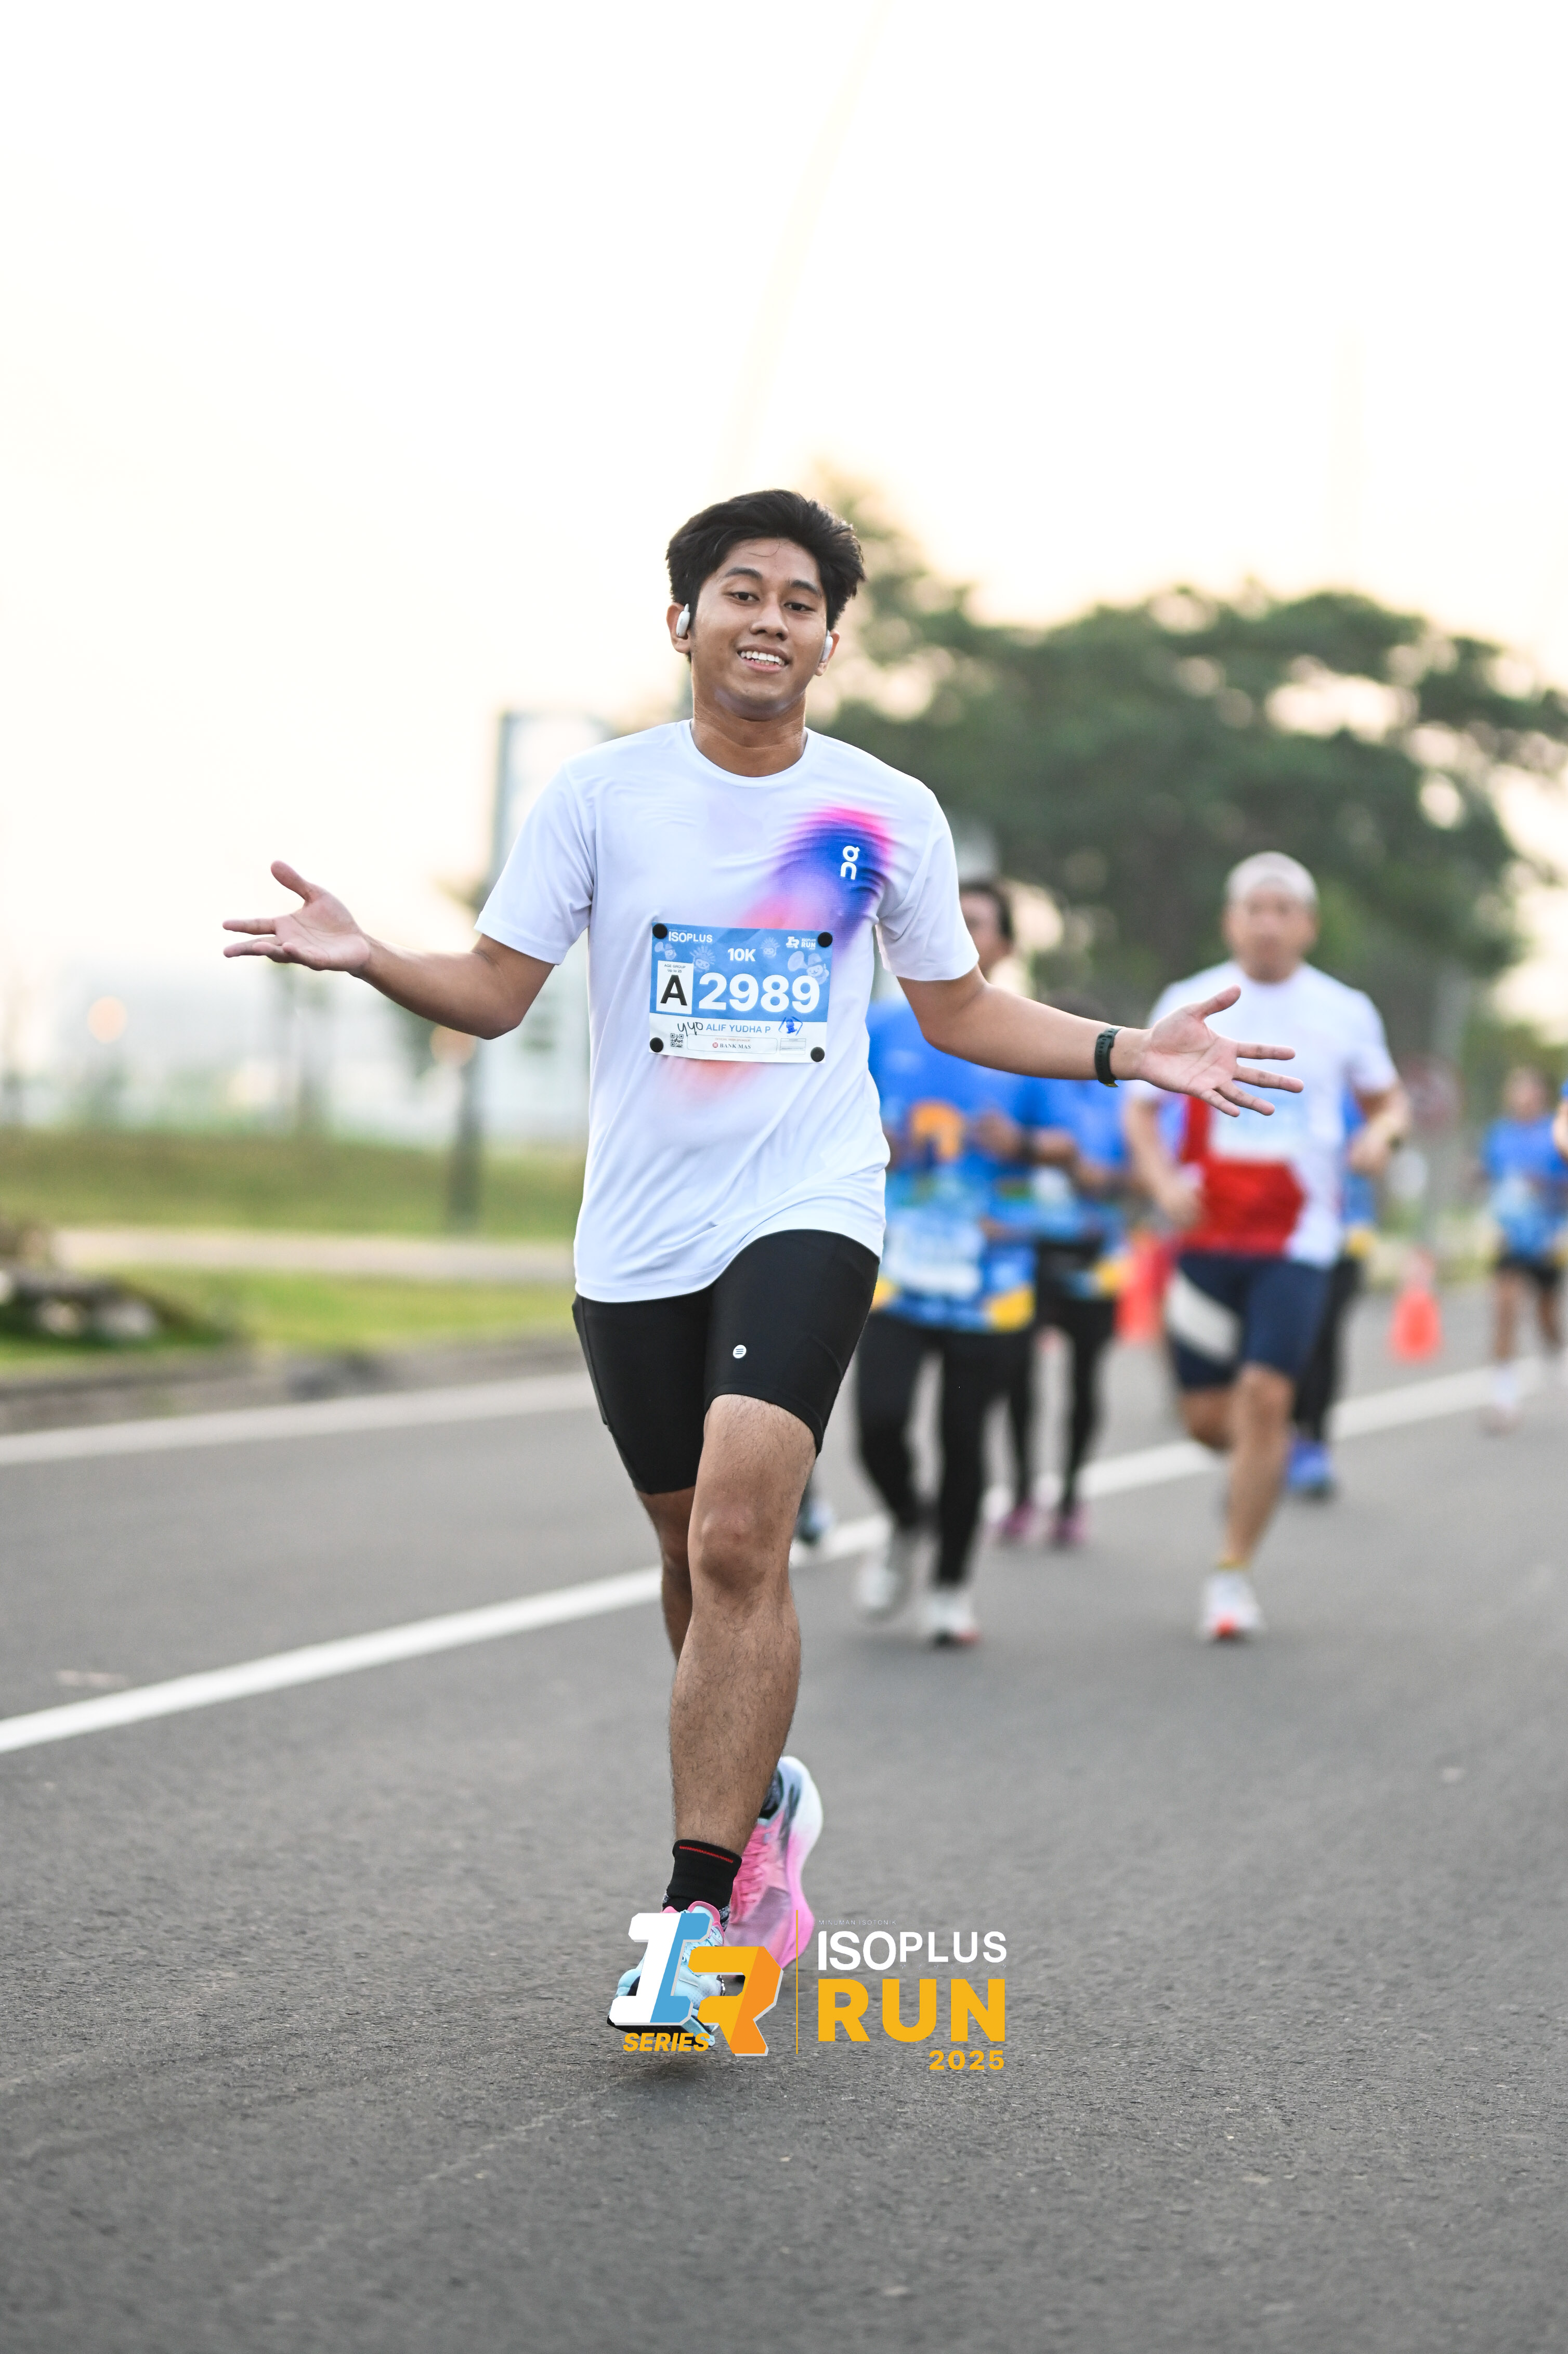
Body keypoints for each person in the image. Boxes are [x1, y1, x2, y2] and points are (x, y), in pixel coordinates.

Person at [224, 489, 1300, 2044]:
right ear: (684, 619)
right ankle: (762, 1802)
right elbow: (497, 990)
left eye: (801, 601)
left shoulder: (882, 811)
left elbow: (957, 1009)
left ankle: (697, 1915)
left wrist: (1131, 1049)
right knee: (693, 1561)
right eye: (743, 591)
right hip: (638, 1233)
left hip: (809, 1197)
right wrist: (372, 953)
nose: (771, 620)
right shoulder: (600, 799)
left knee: (742, 1532)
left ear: (829, 641)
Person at [1124, 852, 1407, 1641]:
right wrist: (1161, 1183)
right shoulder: (1189, 1000)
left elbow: (1388, 1103)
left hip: (1299, 1240)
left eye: (1285, 909)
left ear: (1308, 925)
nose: (1269, 923)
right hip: (1205, 1235)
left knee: (1267, 1399)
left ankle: (1231, 1572)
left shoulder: (1344, 1009)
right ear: (1231, 920)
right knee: (1208, 1421)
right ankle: (1257, 1466)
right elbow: (1140, 1111)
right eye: (1256, 908)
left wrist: (1382, 1137)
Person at [854, 880, 1041, 1645]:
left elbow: (1082, 1165)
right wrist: (870, 1143)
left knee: (965, 1438)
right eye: (950, 918)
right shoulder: (876, 1027)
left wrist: (1025, 1150)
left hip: (990, 1283)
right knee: (878, 1425)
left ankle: (951, 1587)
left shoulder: (1029, 1040)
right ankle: (907, 1521)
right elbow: (820, 1123)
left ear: (1004, 947)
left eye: (978, 923)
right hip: (895, 1270)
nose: (960, 932)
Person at [998, 1064, 1129, 1549]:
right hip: (1028, 1252)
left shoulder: (1123, 1097)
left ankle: (1072, 1497)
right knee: (1017, 1377)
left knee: (1084, 1380)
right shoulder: (1028, 1081)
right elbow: (1005, 1158)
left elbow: (1142, 1177)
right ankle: (1022, 1494)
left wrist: (1094, 1176)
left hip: (1094, 1258)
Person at [1285, 1093, 1386, 1499]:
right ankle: (1275, 1438)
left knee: (1322, 1337)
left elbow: (1392, 1122)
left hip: (1344, 1236)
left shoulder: (1352, 1088)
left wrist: (1379, 1145)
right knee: (1282, 1342)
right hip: (1283, 1237)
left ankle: (1313, 1444)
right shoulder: (1272, 1085)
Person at [1480, 1067, 1567, 1430]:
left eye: (1528, 1090)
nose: (1522, 1097)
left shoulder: (1556, 1132)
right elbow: (1491, 1179)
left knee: (1547, 1317)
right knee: (1505, 1308)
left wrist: (1544, 1188)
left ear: (1541, 1095)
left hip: (1547, 1238)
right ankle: (1504, 1398)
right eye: (1516, 1090)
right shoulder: (1498, 1136)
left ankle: (1556, 1354)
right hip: (1511, 1238)